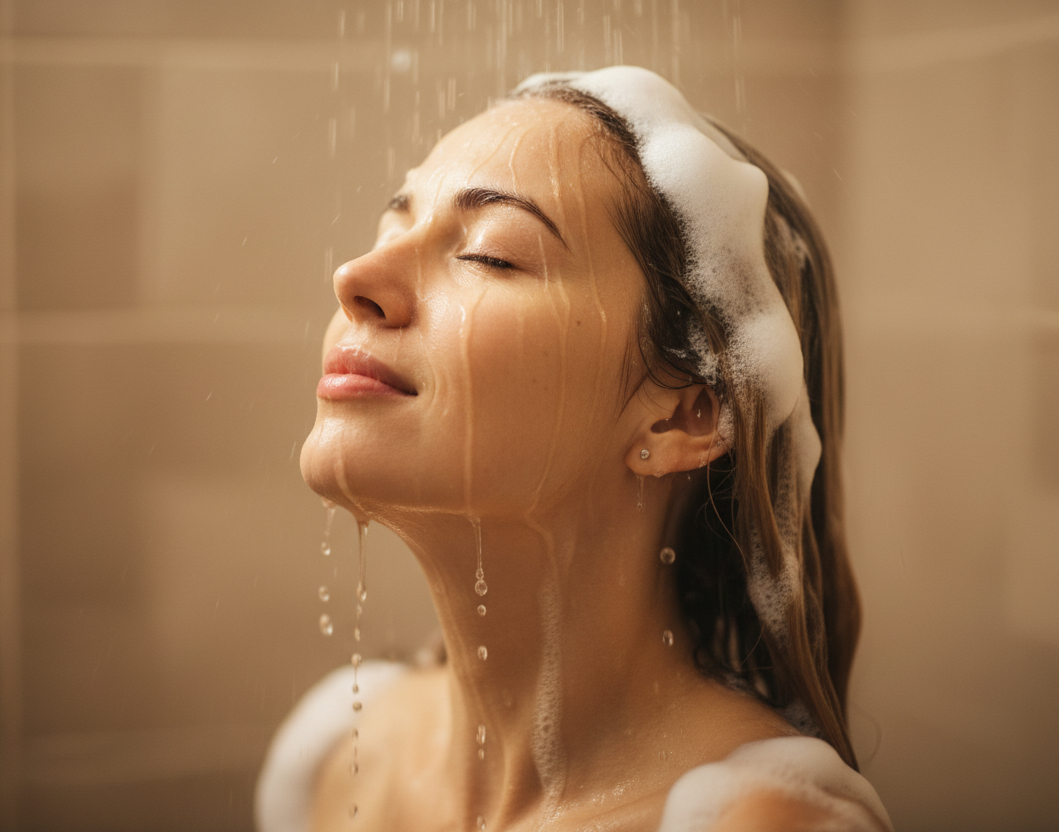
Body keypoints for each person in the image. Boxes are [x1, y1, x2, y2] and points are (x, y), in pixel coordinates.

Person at [257, 66, 892, 832]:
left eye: (491, 254)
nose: (355, 278)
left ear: (683, 416)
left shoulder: (762, 821)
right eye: (391, 230)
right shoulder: (340, 760)